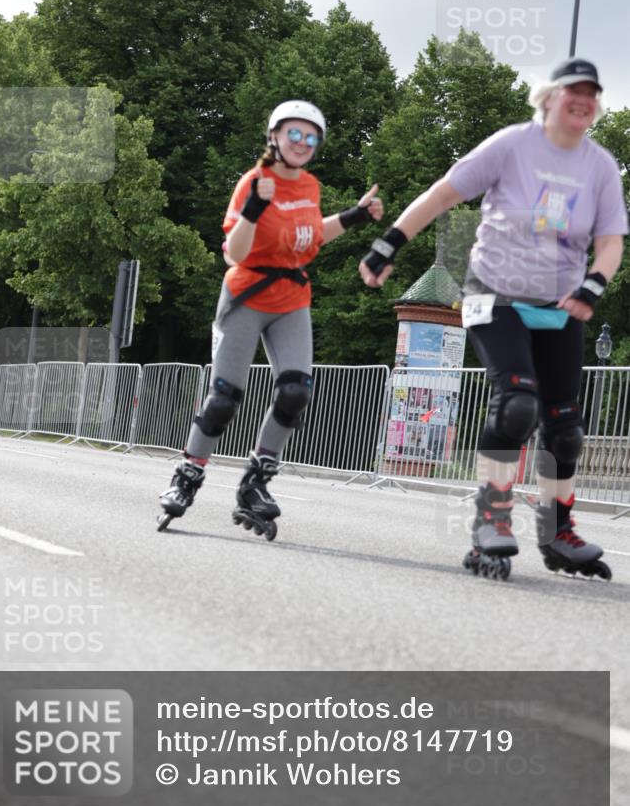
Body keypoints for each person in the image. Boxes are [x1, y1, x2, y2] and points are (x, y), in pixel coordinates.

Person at [359, 58, 627, 580]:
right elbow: (443, 193)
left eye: (592, 93)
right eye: (573, 90)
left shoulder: (600, 167)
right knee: (517, 404)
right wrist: (389, 242)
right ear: (548, 97)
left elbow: (611, 243)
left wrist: (595, 283)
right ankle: (491, 518)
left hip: (558, 304)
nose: (583, 99)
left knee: (565, 427)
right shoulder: (511, 145)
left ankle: (557, 532)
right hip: (495, 295)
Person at [158, 100, 383, 539]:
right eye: (293, 134)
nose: (302, 143)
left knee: (296, 392)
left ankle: (255, 483)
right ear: (274, 137)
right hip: (247, 294)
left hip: (292, 298)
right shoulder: (254, 182)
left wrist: (354, 217)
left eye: (310, 137)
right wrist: (255, 212)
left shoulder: (311, 186)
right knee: (224, 398)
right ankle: (186, 477)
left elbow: (312, 233)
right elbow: (235, 252)